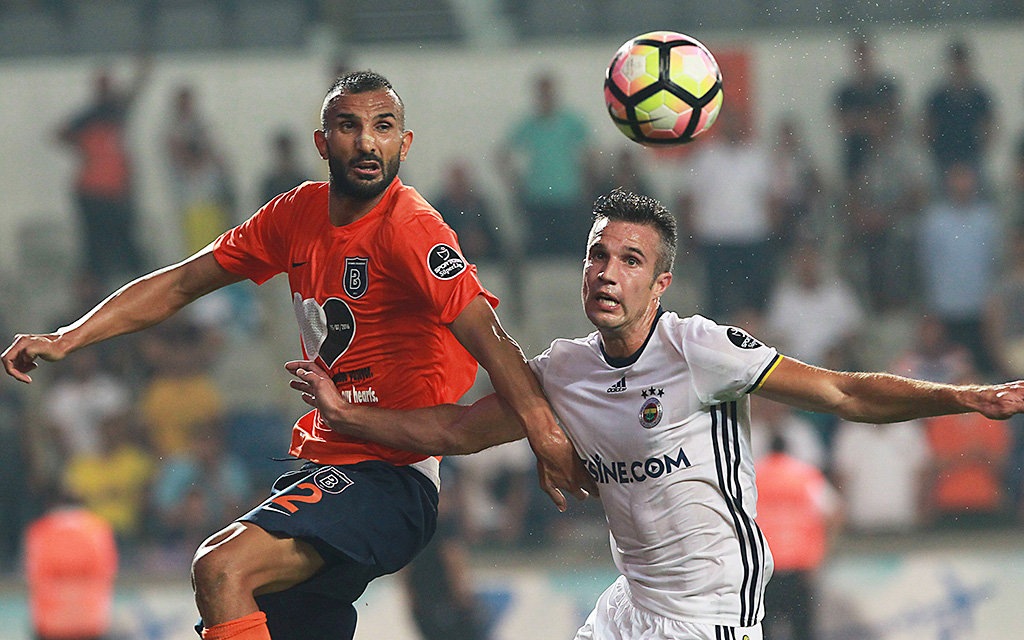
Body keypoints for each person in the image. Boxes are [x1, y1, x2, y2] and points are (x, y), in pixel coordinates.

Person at [288, 188, 1024, 640]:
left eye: (630, 260)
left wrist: (959, 396)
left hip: (710, 613)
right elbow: (451, 430)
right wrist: (348, 417)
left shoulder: (699, 350)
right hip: (630, 607)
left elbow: (841, 393)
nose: (608, 271)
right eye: (596, 255)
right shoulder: (564, 369)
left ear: (662, 281)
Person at [3, 70, 587, 640]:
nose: (366, 141)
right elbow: (183, 283)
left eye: (383, 127)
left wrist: (544, 431)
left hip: (391, 479)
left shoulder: (413, 230)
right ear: (321, 142)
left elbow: (489, 335)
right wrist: (69, 336)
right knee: (260, 605)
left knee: (221, 567)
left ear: (404, 144)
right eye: (348, 126)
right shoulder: (294, 215)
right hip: (326, 469)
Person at [56, 61, 150, 286]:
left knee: (122, 240)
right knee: (95, 245)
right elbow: (60, 133)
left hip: (114, 190)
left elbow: (132, 94)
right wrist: (85, 149)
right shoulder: (90, 116)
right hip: (94, 191)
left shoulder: (114, 111)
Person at [755, 434, 843, 640]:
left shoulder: (754, 473)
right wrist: (822, 551)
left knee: (761, 631)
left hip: (764, 568)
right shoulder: (804, 475)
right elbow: (835, 511)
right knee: (802, 632)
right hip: (799, 566)